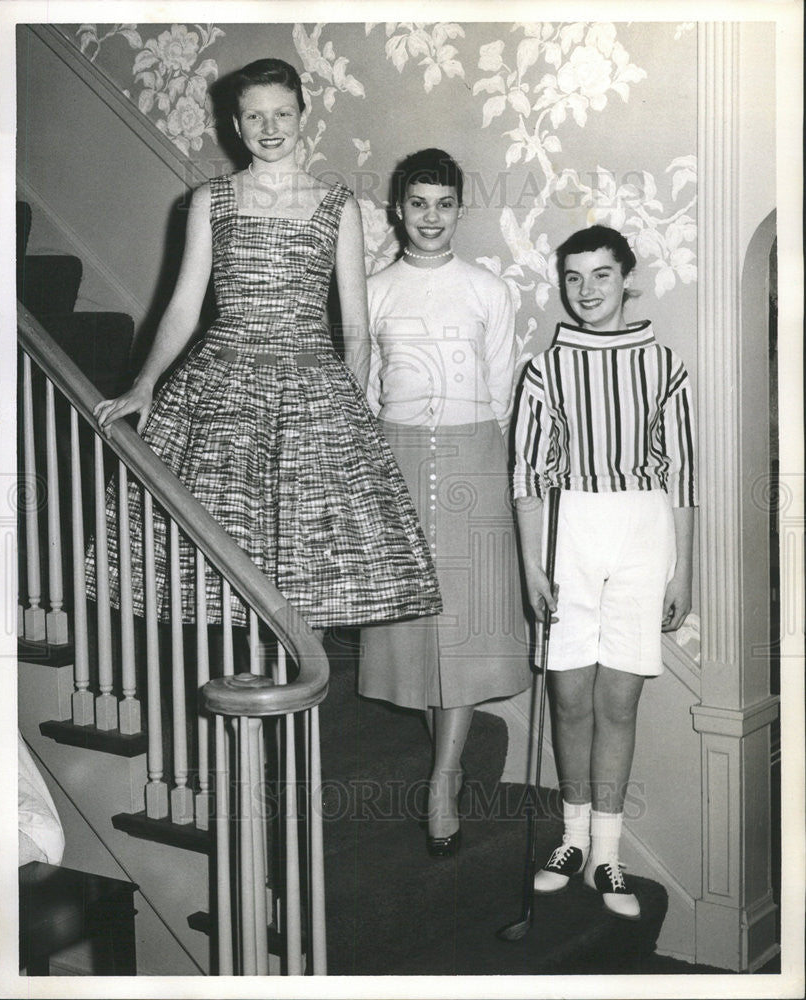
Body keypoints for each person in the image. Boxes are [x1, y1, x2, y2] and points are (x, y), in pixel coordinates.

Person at [90, 58, 441, 632]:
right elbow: (183, 305)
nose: (269, 127)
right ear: (235, 123)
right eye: (254, 115)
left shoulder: (337, 207)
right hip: (222, 392)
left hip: (312, 395)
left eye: (282, 113)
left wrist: (350, 418)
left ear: (304, 116)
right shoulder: (211, 200)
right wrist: (145, 381)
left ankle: (290, 703)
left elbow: (355, 327)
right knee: (215, 570)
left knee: (311, 571)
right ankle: (243, 701)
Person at [512, 224, 697, 919]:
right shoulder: (544, 369)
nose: (586, 291)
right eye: (573, 278)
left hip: (644, 531)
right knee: (569, 699)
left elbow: (681, 475)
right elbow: (527, 479)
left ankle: (607, 858)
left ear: (626, 278)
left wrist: (684, 573)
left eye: (600, 275)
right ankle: (569, 839)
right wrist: (532, 567)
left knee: (619, 702)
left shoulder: (665, 364)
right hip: (570, 531)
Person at [360, 149, 531, 857]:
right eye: (418, 203)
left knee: (459, 623)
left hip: (471, 450)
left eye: (444, 204)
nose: (431, 217)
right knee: (414, 622)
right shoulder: (372, 289)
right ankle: (445, 767)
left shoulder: (488, 290)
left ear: (460, 209)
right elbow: (364, 388)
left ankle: (443, 778)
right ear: (399, 208)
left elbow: (498, 387)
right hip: (395, 452)